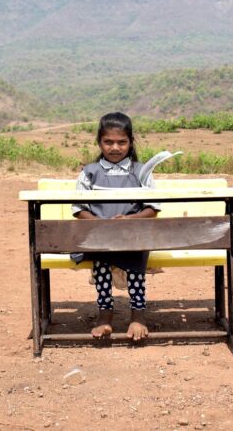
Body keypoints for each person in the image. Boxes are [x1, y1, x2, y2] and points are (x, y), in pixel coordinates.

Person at [73, 111, 158, 341]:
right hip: (100, 237)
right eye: (108, 142)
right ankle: (105, 314)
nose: (115, 147)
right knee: (101, 262)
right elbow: (78, 209)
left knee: (136, 262)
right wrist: (102, 225)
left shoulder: (142, 172)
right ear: (99, 142)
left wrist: (129, 221)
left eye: (122, 142)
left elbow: (152, 209)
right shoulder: (89, 172)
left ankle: (138, 314)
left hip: (133, 237)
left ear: (130, 142)